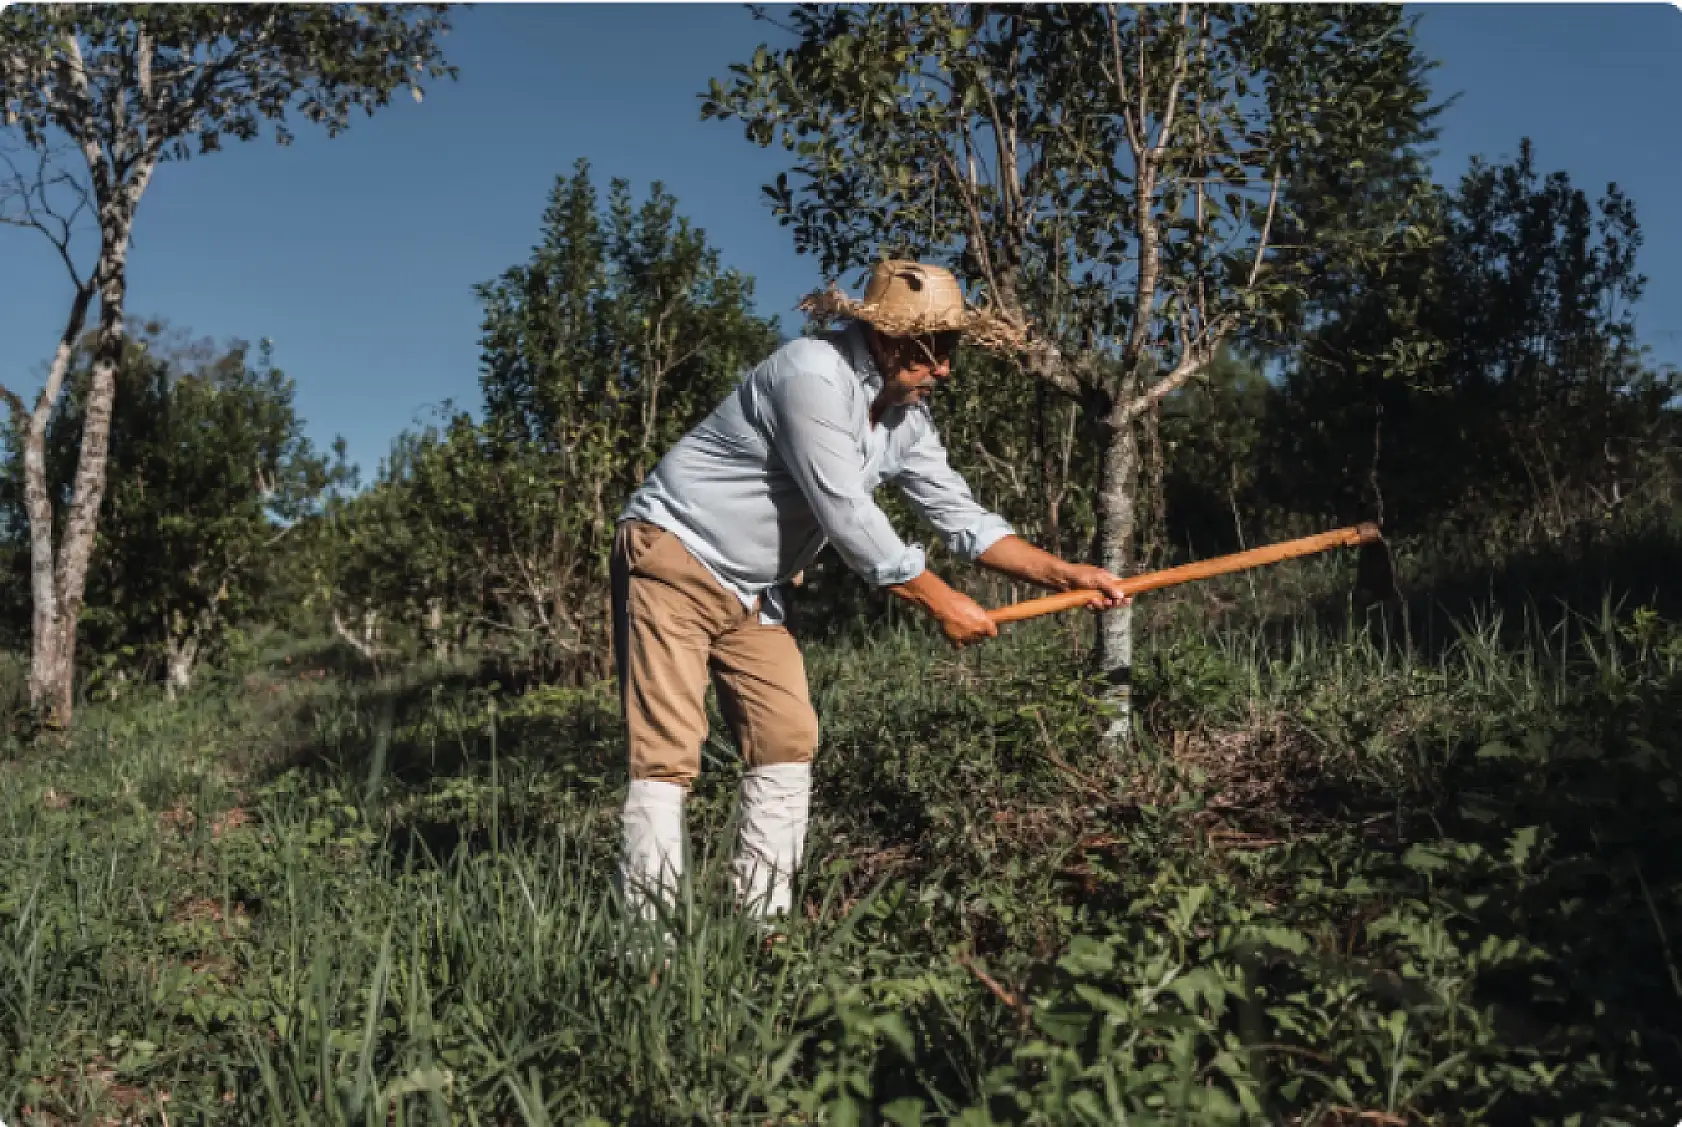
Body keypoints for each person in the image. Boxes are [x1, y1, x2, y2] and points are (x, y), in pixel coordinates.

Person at [611, 260, 1129, 921]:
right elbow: (849, 516)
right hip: (675, 555)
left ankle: (759, 928)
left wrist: (1070, 574)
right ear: (884, 338)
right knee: (666, 753)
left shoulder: (906, 422)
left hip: (757, 589)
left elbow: (964, 520)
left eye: (951, 349)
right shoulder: (810, 377)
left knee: (787, 738)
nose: (945, 369)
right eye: (931, 349)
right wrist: (943, 602)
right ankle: (646, 950)